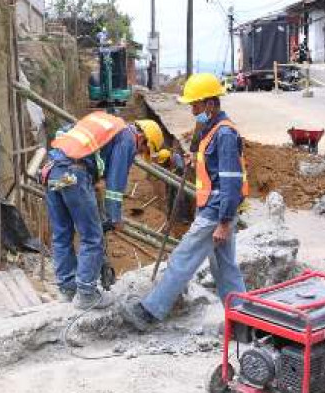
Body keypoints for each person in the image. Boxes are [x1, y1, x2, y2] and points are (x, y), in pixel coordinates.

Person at [120, 73, 247, 330]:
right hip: (214, 209)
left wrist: (223, 222)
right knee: (225, 268)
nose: (192, 110)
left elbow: (231, 182)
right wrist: (183, 161)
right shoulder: (211, 131)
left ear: (210, 104)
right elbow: (208, 170)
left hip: (215, 211)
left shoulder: (224, 134)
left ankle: (149, 312)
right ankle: (243, 322)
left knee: (182, 258)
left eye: (196, 105)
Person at [43, 113, 163, 309]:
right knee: (92, 237)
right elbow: (115, 183)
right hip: (75, 174)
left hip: (53, 169)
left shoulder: (105, 122)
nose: (138, 154)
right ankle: (86, 293)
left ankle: (67, 289)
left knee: (62, 234)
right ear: (142, 138)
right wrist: (114, 217)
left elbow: (66, 133)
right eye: (143, 150)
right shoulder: (127, 138)